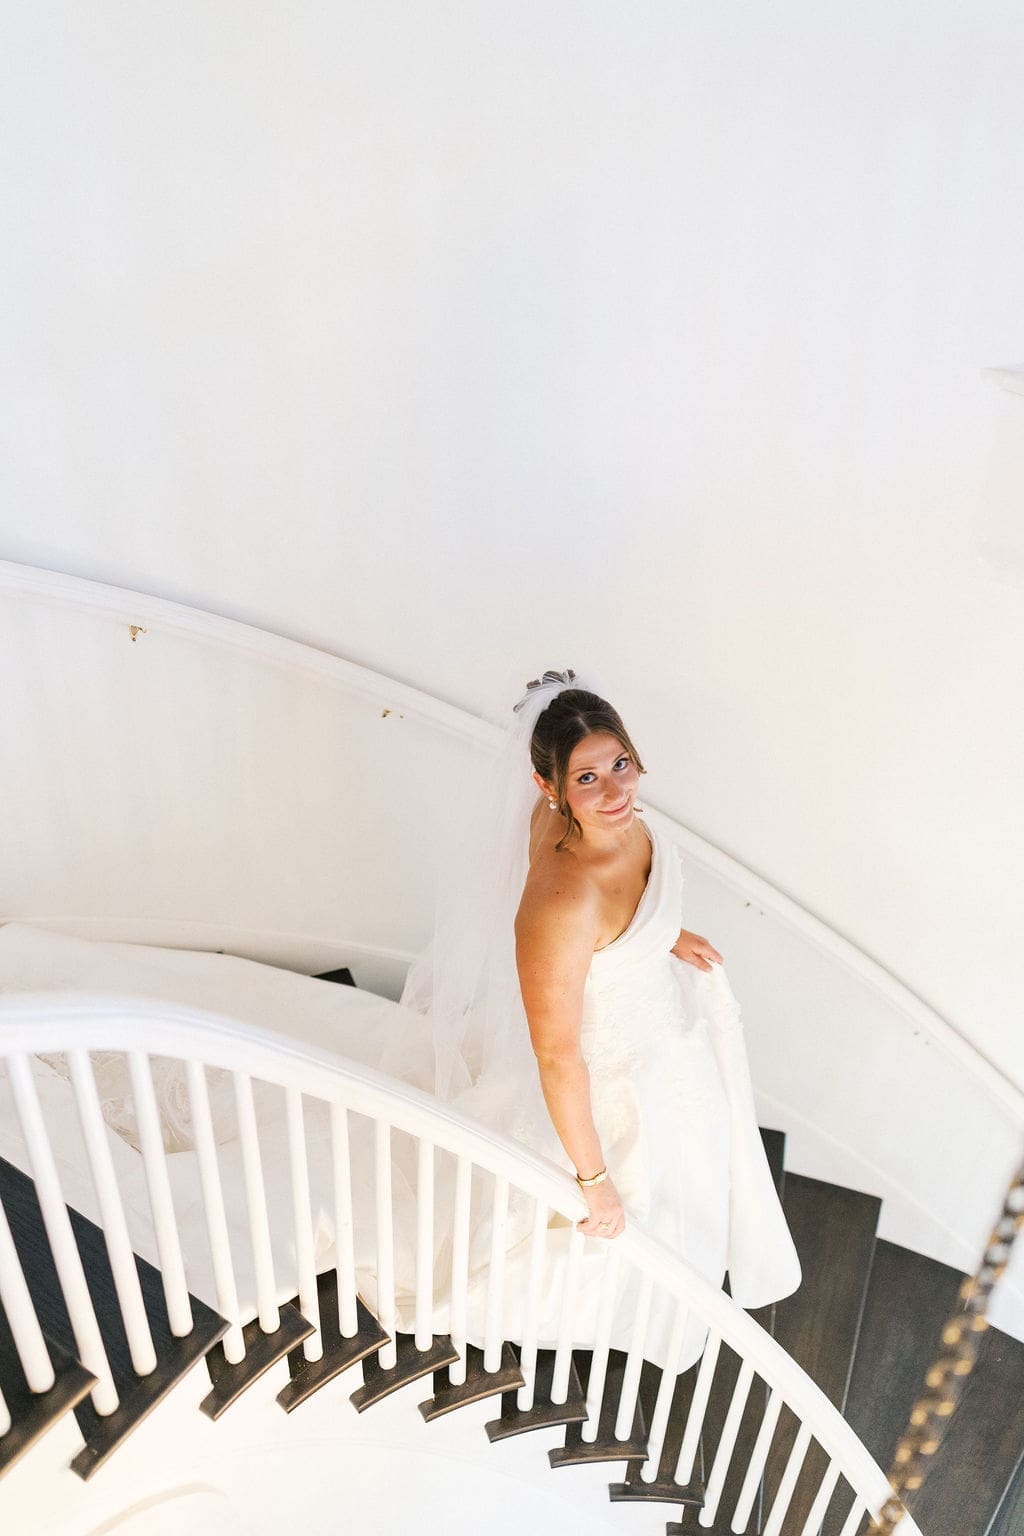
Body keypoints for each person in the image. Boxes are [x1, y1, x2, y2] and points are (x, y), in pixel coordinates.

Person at [394, 668, 802, 1368]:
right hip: (606, 1082)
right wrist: (593, 1180)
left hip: (668, 1043)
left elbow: (624, 913)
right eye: (587, 779)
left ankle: (671, 1302)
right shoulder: (558, 903)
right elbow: (557, 1056)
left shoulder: (622, 823)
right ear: (548, 791)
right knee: (627, 1208)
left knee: (691, 1177)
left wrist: (664, 934)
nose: (616, 791)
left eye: (620, 763)